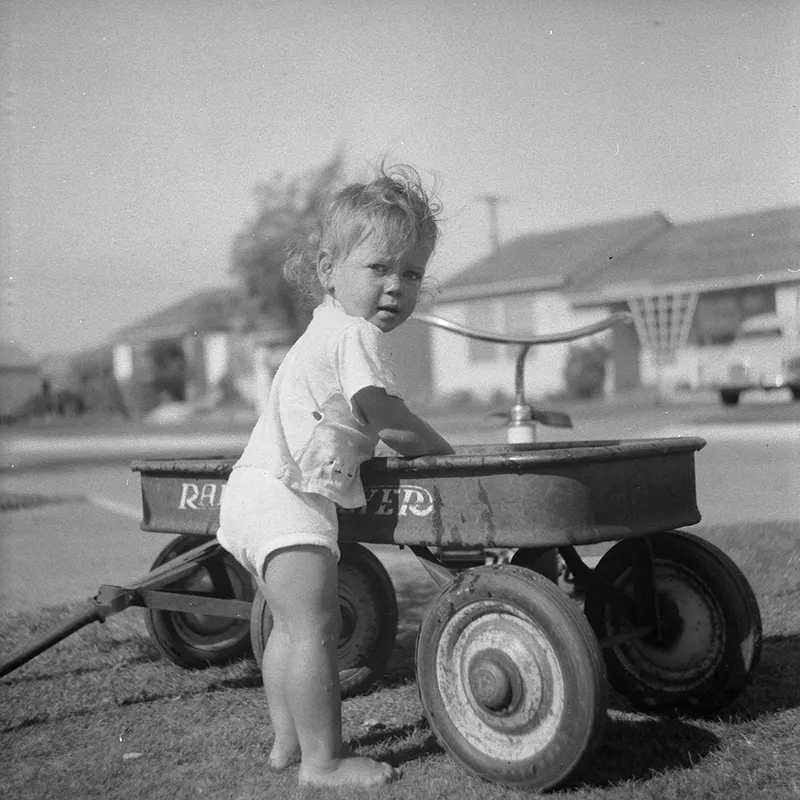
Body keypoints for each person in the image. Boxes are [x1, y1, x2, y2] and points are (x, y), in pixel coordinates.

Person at [217, 164, 454, 789]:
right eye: (378, 268)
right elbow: (386, 417)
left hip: (252, 495)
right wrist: (444, 455)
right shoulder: (354, 335)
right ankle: (323, 763)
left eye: (411, 274)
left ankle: (287, 744)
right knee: (314, 631)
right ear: (327, 269)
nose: (395, 288)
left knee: (290, 628)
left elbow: (345, 425)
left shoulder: (322, 328)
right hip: (286, 500)